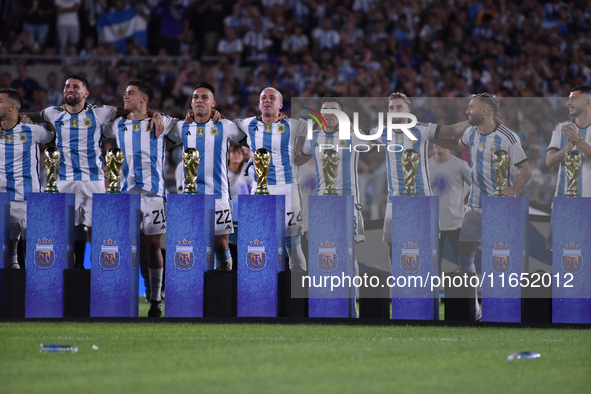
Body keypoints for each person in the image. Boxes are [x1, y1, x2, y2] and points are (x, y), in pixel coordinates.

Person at [24, 74, 163, 268]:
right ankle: (69, 274)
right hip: (64, 180)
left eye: (75, 87)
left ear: (86, 93)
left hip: (94, 180)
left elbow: (134, 109)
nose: (69, 90)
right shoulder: (53, 113)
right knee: (63, 233)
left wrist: (155, 114)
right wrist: (15, 117)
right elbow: (33, 115)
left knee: (96, 232)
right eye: (67, 87)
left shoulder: (100, 113)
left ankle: (98, 274)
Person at [432, 93, 532, 320]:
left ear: (484, 111)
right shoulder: (471, 132)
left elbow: (526, 170)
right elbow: (457, 146)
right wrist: (433, 138)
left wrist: (513, 189)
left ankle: (501, 305)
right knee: (464, 256)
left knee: (499, 259)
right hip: (474, 206)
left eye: (471, 107)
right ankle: (475, 307)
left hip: (499, 207)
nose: (467, 111)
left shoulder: (508, 137)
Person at [103, 80, 177, 318]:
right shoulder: (117, 125)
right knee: (125, 247)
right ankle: (122, 297)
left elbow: (193, 122)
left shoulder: (161, 123)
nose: (125, 96)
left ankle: (155, 299)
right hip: (125, 195)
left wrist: (157, 114)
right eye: (125, 93)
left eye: (131, 93)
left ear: (144, 99)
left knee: (153, 245)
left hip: (153, 194)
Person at [373, 92, 472, 259]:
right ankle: (399, 279)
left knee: (425, 248)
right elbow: (360, 134)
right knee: (393, 247)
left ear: (408, 111)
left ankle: (426, 282)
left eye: (399, 107)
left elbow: (453, 129)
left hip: (421, 199)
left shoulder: (421, 129)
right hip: (395, 200)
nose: (395, 111)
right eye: (391, 108)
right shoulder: (381, 132)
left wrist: (474, 121)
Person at [168, 82, 246, 271]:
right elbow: (157, 133)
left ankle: (221, 292)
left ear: (213, 104)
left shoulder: (225, 125)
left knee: (221, 244)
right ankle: (194, 292)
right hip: (190, 198)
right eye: (196, 97)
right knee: (190, 244)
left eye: (205, 97)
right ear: (191, 102)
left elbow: (251, 135)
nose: (199, 100)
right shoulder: (181, 127)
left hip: (219, 195)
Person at [234, 87, 308, 271]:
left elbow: (319, 127)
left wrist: (302, 156)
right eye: (263, 98)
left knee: (293, 246)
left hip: (288, 189)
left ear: (280, 105)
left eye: (272, 98)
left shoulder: (293, 124)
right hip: (260, 191)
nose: (267, 100)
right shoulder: (248, 124)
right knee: (261, 243)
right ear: (259, 104)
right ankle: (264, 294)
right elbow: (226, 123)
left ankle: (297, 296)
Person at [0, 90, 54, 269]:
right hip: (2, 200)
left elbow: (53, 138)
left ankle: (36, 292)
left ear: (12, 107)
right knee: (7, 257)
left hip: (28, 199)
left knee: (34, 252)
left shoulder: (31, 130)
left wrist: (43, 120)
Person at [546, 85, 591, 249]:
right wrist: (567, 148)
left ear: (587, 102)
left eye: (574, 98)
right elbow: (549, 161)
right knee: (561, 255)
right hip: (563, 203)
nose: (569, 102)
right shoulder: (561, 128)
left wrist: (579, 141)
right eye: (569, 98)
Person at [428, 144, 471, 268]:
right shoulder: (425, 166)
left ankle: (467, 288)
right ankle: (433, 288)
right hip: (433, 224)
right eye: (436, 141)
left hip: (456, 222)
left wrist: (461, 198)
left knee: (463, 263)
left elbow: (475, 184)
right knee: (433, 266)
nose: (438, 144)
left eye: (442, 141)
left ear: (448, 143)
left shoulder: (460, 165)